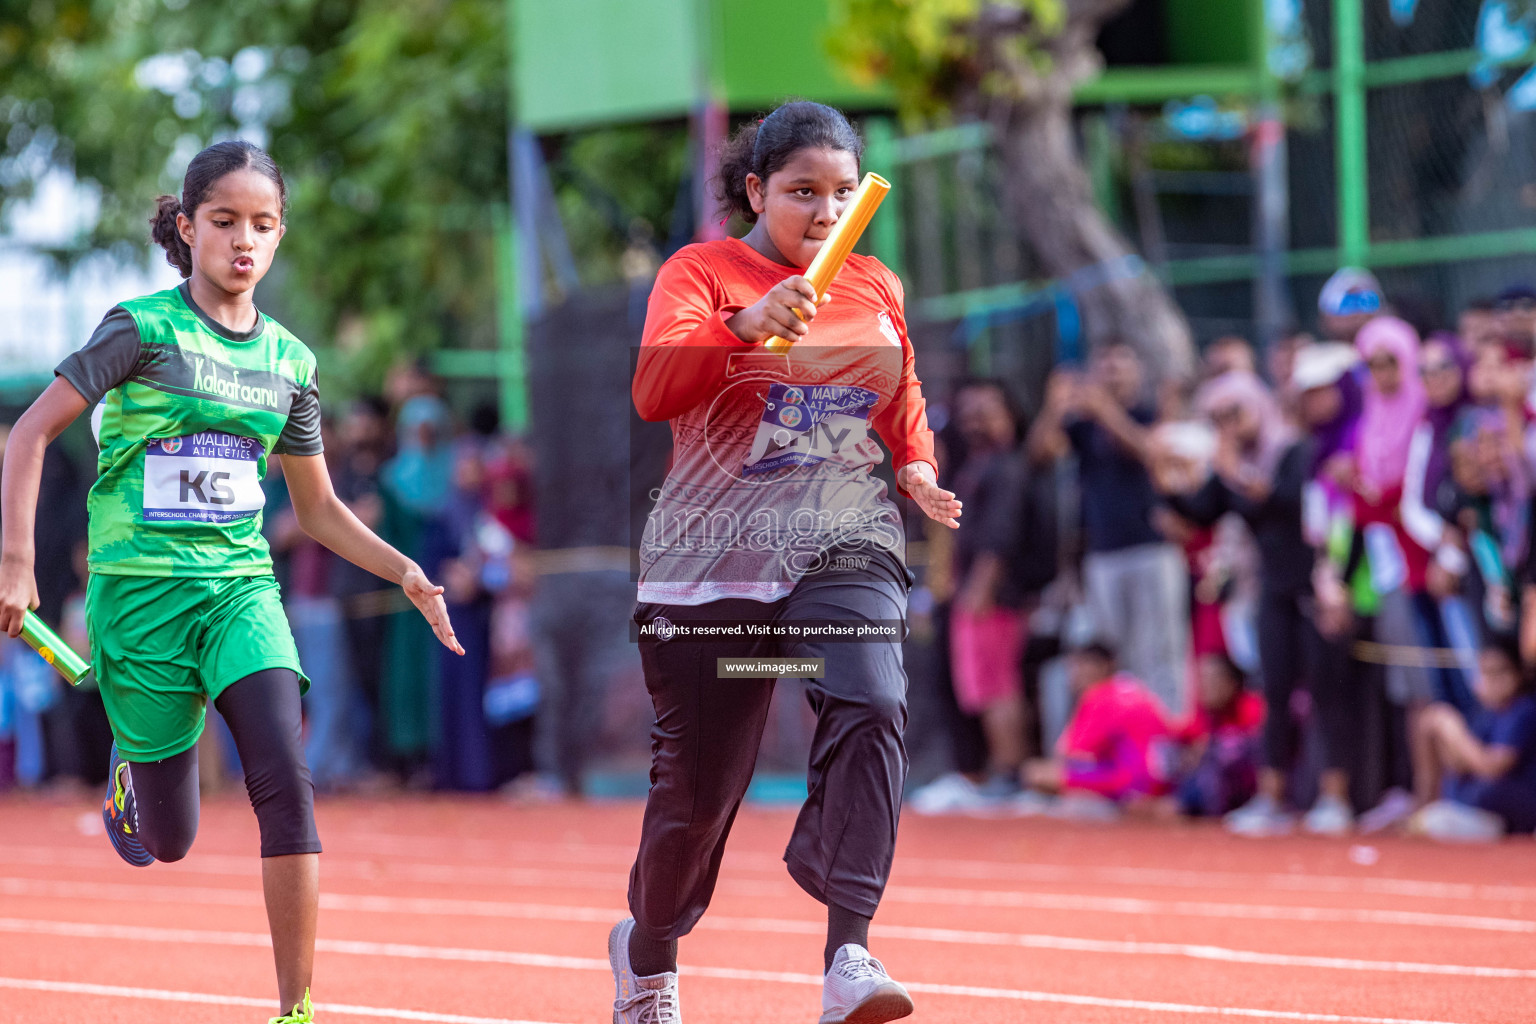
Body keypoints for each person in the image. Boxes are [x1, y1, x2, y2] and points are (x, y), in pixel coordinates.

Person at [0, 140, 463, 1024]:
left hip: (241, 590)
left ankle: (295, 1009)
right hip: (139, 598)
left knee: (284, 775)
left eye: (262, 224)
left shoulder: (291, 362)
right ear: (186, 227)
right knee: (168, 843)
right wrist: (16, 566)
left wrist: (405, 570)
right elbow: (29, 435)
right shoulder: (139, 329)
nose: (243, 240)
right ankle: (133, 777)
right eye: (223, 221)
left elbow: (317, 507)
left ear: (280, 235)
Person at [617, 101, 957, 1024]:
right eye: (802, 191)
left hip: (841, 542)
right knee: (697, 798)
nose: (823, 209)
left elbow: (900, 384)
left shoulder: (874, 283)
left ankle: (849, 949)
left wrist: (917, 462)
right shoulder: (701, 272)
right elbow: (654, 388)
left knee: (872, 697)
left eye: (842, 193)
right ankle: (647, 954)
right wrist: (745, 323)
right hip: (713, 571)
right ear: (756, 190)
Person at [1029, 344, 1190, 715]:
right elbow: (1038, 454)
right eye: (1104, 364)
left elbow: (1151, 452)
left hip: (1153, 548)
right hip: (1102, 554)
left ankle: (1167, 743)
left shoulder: (1149, 412)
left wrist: (1105, 411)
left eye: (1121, 363)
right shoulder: (1082, 426)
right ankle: (1120, 738)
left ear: (1137, 372)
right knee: (1112, 655)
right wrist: (1054, 406)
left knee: (1161, 653)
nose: (1112, 372)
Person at [1408, 637, 1536, 837]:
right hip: (1479, 801)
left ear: (1518, 674)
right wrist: (1442, 735)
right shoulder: (1486, 714)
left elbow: (1494, 766)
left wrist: (1454, 730)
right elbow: (1460, 765)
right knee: (1455, 793)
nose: (1492, 682)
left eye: (1500, 672)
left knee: (1485, 793)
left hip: (1515, 803)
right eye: (1485, 673)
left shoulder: (1524, 710)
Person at [1023, 640, 1175, 806]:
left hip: (1131, 785)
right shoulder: (1135, 687)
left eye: (1081, 665)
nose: (1074, 673)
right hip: (1165, 785)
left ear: (1104, 667)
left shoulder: (1098, 696)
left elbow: (1069, 753)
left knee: (1036, 773)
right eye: (1073, 666)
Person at [1170, 653, 1265, 817]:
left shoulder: (1252, 707)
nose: (1205, 687)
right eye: (1202, 681)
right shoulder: (1206, 715)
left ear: (1232, 683)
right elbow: (1177, 736)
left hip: (1251, 788)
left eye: (1212, 680)